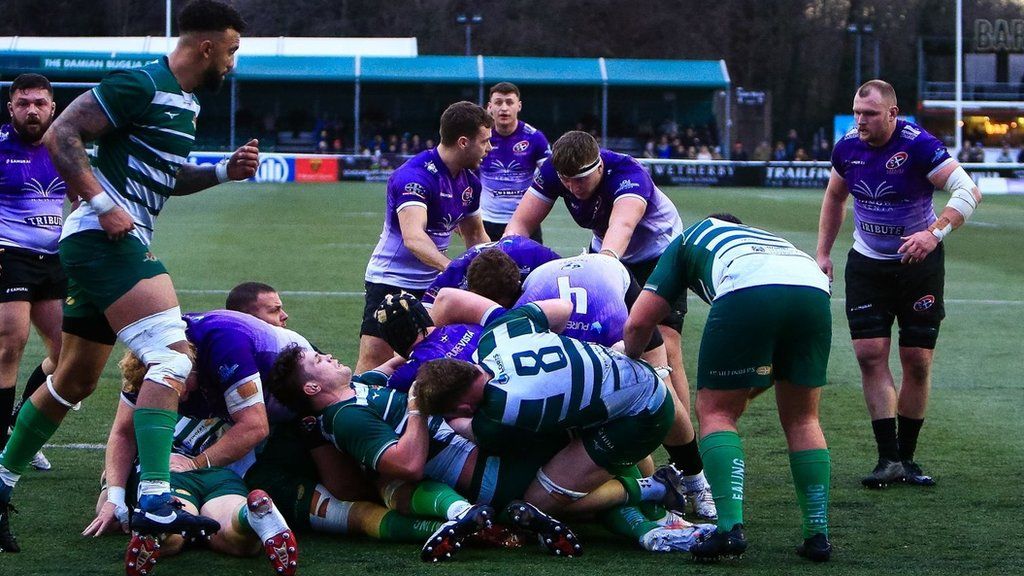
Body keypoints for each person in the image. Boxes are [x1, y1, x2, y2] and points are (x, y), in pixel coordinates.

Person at [0, 0, 259, 553]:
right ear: (208, 47)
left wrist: (220, 171)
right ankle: (157, 497)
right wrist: (101, 201)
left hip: (107, 240)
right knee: (171, 357)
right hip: (104, 239)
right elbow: (62, 133)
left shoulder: (184, 103)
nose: (233, 65)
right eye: (232, 51)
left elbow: (163, 179)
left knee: (74, 379)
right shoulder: (140, 83)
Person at [504, 130, 703, 515]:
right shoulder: (553, 172)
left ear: (599, 165)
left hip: (659, 256)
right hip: (607, 257)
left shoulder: (628, 174)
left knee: (665, 345)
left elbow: (621, 228)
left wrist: (606, 263)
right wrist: (506, 264)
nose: (573, 188)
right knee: (596, 344)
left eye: (581, 178)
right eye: (566, 181)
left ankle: (684, 450)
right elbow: (518, 227)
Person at [623, 214, 834, 562]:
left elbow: (639, 322)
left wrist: (630, 363)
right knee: (803, 419)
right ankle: (817, 535)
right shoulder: (766, 237)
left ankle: (729, 529)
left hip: (747, 287)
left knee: (715, 412)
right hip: (813, 286)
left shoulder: (690, 239)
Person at [816, 79, 982, 490]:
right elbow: (835, 197)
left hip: (918, 266)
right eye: (857, 112)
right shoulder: (847, 148)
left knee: (917, 361)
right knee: (870, 354)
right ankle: (887, 459)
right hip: (867, 265)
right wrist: (823, 253)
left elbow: (968, 190)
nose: (860, 121)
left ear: (893, 113)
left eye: (869, 114)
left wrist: (933, 234)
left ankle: (907, 457)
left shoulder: (919, 145)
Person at [358, 101, 492, 373]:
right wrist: (454, 269)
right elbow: (414, 238)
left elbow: (475, 234)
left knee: (437, 361)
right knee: (377, 364)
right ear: (464, 142)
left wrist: (495, 266)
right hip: (391, 281)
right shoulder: (414, 177)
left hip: (434, 285)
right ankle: (359, 410)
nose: (489, 148)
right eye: (485, 141)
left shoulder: (470, 182)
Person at [0, 74, 65, 491]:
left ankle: (21, 426)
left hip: (54, 259)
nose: (32, 110)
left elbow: (80, 199)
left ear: (53, 107)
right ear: (11, 108)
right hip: (8, 253)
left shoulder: (66, 147)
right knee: (12, 340)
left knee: (66, 354)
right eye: (23, 103)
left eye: (39, 103)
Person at [480, 82, 551, 242]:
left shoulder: (535, 138)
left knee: (531, 267)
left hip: (526, 221)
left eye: (509, 102)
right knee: (485, 267)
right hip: (486, 222)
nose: (504, 108)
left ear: (519, 106)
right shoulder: (480, 137)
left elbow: (551, 174)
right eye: (498, 102)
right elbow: (464, 175)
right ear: (489, 107)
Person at [420, 235, 560, 309]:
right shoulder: (454, 275)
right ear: (471, 292)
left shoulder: (531, 254)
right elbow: (427, 318)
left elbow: (575, 273)